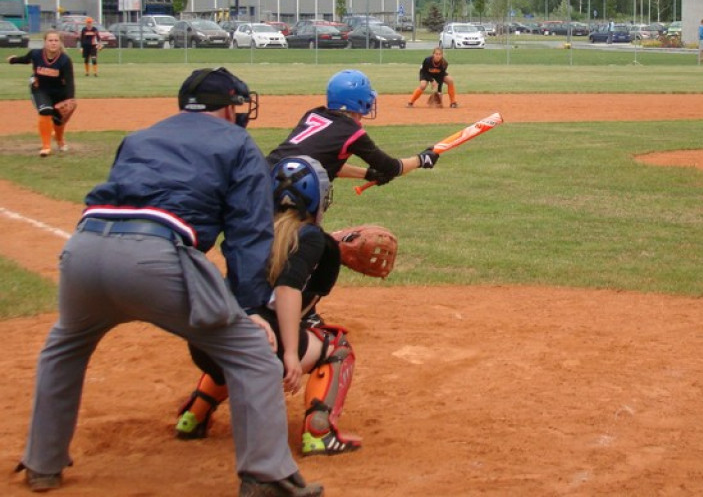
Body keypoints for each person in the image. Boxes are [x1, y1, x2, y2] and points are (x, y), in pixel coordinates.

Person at [17, 67, 323, 497]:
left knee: (64, 346)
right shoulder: (237, 142)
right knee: (253, 356)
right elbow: (248, 236)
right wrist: (250, 309)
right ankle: (267, 476)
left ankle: (42, 463)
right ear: (228, 107)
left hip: (83, 250)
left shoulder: (140, 136)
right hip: (154, 258)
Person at [176, 156, 362, 457]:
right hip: (258, 346)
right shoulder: (312, 238)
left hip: (205, 342)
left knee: (236, 341)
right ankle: (319, 432)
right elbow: (288, 289)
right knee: (337, 348)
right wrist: (290, 352)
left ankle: (193, 416)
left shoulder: (251, 226)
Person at [267, 68, 440, 185]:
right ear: (358, 100)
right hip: (284, 185)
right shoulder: (351, 132)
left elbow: (326, 163)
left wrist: (368, 174)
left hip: (266, 172)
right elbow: (391, 167)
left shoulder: (314, 114)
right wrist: (421, 160)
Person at [7, 30, 76, 157]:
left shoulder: (65, 60)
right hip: (40, 89)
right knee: (45, 111)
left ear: (60, 43)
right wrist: (13, 60)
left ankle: (59, 140)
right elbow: (26, 59)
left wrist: (70, 98)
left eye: (56, 41)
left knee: (58, 121)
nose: (53, 43)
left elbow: (70, 80)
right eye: (50, 40)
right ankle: (46, 146)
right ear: (45, 42)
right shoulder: (36, 54)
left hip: (59, 92)